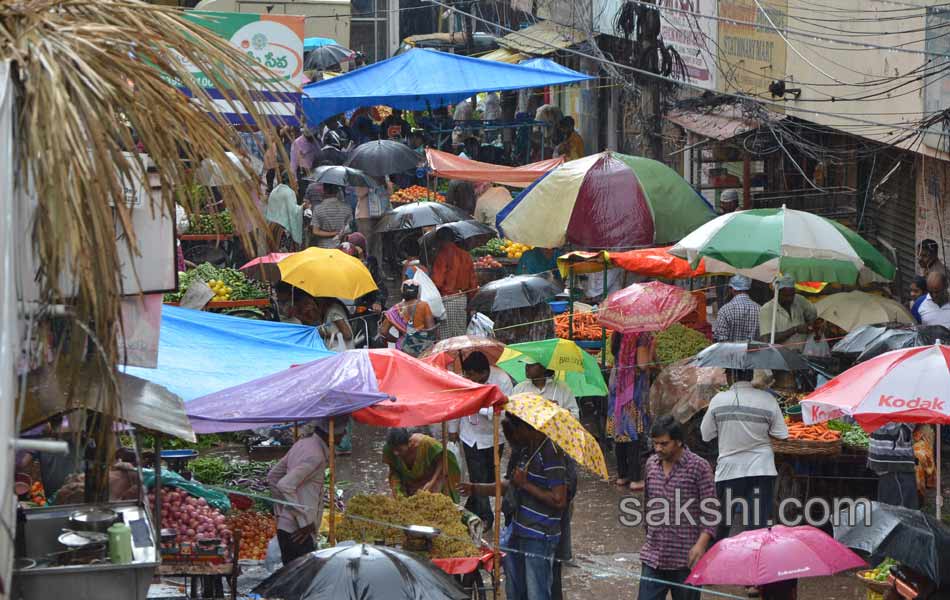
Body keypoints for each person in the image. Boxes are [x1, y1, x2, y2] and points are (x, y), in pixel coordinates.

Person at [460, 413, 568, 600]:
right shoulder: (526, 451)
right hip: (518, 530)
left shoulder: (551, 453)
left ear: (525, 428)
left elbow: (559, 499)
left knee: (537, 593)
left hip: (539, 535)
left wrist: (526, 484)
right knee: (515, 590)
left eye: (514, 433)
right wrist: (476, 488)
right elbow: (509, 485)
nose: (512, 439)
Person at [700, 369, 788, 543]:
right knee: (757, 528)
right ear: (750, 375)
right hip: (762, 470)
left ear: (731, 376)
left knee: (721, 525)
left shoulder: (719, 400)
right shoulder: (768, 399)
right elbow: (782, 433)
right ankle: (755, 565)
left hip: (729, 471)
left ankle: (714, 563)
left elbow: (705, 434)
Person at [638, 415, 716, 600]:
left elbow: (711, 513)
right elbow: (648, 504)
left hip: (686, 560)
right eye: (655, 443)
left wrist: (700, 545)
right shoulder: (651, 464)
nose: (658, 448)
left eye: (664, 444)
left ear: (679, 441)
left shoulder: (699, 467)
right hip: (653, 557)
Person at [456, 351, 513, 530]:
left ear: (483, 373)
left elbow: (504, 410)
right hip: (470, 435)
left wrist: (480, 408)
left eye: (472, 375)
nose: (469, 378)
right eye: (466, 374)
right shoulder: (463, 380)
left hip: (494, 435)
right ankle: (486, 518)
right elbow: (456, 404)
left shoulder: (502, 381)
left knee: (488, 478)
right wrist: (452, 431)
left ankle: (466, 511)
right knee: (477, 476)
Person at [266, 420, 330, 565]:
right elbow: (284, 484)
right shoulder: (316, 455)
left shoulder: (301, 443)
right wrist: (303, 520)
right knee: (303, 583)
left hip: (285, 528)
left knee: (291, 580)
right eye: (342, 430)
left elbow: (273, 476)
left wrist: (283, 509)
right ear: (331, 432)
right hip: (299, 534)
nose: (344, 434)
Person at [607, 330, 654, 492]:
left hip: (617, 382)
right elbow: (642, 364)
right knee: (633, 430)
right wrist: (652, 352)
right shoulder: (642, 335)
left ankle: (622, 475)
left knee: (620, 429)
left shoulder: (617, 333)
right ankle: (635, 478)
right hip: (631, 387)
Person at [383, 428, 461, 502]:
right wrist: (397, 491)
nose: (395, 453)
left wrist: (432, 482)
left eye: (399, 450)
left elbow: (443, 459)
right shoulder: (389, 448)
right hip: (410, 483)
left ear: (409, 443)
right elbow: (393, 470)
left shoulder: (426, 443)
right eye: (393, 450)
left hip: (430, 480)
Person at [431, 227, 479, 339]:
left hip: (447, 300)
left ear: (440, 241)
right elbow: (473, 282)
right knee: (460, 336)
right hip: (462, 299)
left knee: (446, 339)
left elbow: (438, 282)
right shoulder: (466, 255)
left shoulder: (442, 255)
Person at [379, 281, 437, 356]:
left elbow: (383, 331)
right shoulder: (424, 305)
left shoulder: (394, 310)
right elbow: (431, 329)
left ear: (402, 291)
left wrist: (397, 340)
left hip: (402, 348)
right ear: (418, 292)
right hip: (421, 347)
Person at [868, 422, 918, 509]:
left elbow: (900, 435)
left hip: (896, 463)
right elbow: (848, 419)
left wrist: (881, 417)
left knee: (900, 509)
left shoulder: (908, 413)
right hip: (888, 463)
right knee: (891, 509)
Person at [758, 276, 817, 348]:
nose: (789, 299)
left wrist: (811, 326)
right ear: (776, 293)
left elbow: (813, 316)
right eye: (785, 296)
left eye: (792, 295)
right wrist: (795, 330)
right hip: (781, 356)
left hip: (802, 354)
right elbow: (767, 339)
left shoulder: (799, 300)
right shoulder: (767, 309)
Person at [512, 361, 580, 419]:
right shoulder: (519, 389)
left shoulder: (562, 388)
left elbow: (575, 416)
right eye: (526, 364)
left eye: (531, 365)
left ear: (543, 368)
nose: (527, 367)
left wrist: (559, 411)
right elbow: (511, 414)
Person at [354, 175, 391, 261]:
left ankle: (377, 269)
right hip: (365, 216)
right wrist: (371, 182)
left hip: (380, 214)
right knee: (365, 245)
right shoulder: (361, 175)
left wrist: (384, 182)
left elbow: (390, 192)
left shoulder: (383, 174)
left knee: (377, 245)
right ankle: (365, 268)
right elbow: (359, 193)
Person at [713, 275, 761, 343]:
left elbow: (720, 338)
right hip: (753, 352)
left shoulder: (725, 310)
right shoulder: (760, 309)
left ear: (733, 289)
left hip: (730, 352)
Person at [264, 174, 305, 250]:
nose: (297, 185)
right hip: (282, 229)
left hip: (272, 226)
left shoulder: (275, 190)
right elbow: (293, 212)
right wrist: (303, 207)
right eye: (295, 182)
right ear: (291, 181)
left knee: (273, 251)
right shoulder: (289, 193)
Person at [309, 183, 352, 249]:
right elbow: (349, 228)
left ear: (323, 191)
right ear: (337, 192)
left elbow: (315, 231)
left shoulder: (318, 209)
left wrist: (333, 233)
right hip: (342, 246)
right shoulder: (347, 208)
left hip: (323, 247)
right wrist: (339, 233)